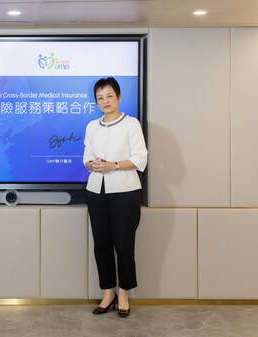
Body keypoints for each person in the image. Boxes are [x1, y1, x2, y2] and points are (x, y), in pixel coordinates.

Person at [83, 77, 147, 317]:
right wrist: (92, 164)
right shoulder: (91, 126)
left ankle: (123, 293)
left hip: (125, 193)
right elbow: (86, 156)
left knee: (124, 245)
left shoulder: (131, 124)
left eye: (109, 96)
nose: (105, 101)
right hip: (96, 192)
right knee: (101, 245)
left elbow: (141, 159)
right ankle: (108, 291)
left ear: (118, 97)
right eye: (100, 97)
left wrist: (115, 165)